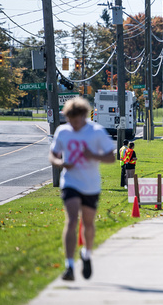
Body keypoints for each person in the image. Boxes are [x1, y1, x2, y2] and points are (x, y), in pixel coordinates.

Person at [49, 97, 115, 281]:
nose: (74, 124)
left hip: (91, 184)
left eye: (77, 120)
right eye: (70, 120)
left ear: (85, 116)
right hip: (70, 182)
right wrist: (60, 163)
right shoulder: (62, 131)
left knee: (88, 223)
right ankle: (69, 266)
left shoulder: (96, 132)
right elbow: (52, 155)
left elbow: (111, 158)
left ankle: (86, 254)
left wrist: (93, 155)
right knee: (71, 220)